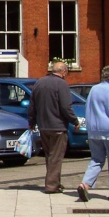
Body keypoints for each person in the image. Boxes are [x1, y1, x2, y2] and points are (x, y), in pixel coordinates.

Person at [28, 61, 81, 194]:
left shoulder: (39, 82)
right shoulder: (62, 84)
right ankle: (52, 185)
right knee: (56, 157)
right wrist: (75, 121)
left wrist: (32, 121)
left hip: (43, 126)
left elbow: (32, 105)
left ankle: (55, 182)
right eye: (66, 72)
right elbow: (65, 107)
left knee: (50, 155)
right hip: (57, 126)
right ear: (63, 72)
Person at [77, 65, 109, 202]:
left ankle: (85, 184)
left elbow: (87, 107)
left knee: (96, 159)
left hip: (94, 130)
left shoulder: (94, 89)